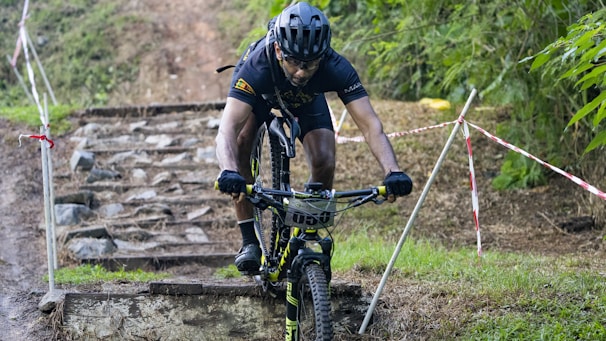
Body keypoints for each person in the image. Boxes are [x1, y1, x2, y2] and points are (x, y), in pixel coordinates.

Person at [215, 2, 413, 274]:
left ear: (323, 56)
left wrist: (393, 171)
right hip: (260, 97)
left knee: (324, 159)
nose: (301, 72)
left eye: (310, 65)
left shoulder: (335, 66)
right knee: (241, 144)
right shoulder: (258, 65)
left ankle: (309, 233)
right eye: (294, 62)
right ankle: (249, 240)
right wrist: (228, 171)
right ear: (278, 50)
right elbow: (226, 128)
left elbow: (370, 125)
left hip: (306, 102)